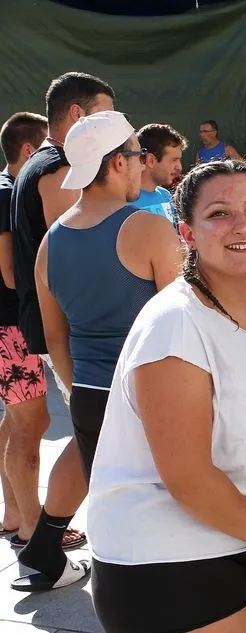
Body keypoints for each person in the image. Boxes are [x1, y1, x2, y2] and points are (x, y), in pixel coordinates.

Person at [87, 159, 246, 632]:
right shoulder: (175, 323)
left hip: (242, 530)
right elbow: (187, 477)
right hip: (164, 553)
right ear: (187, 233)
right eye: (219, 214)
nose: (242, 225)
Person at [9, 71, 116, 589]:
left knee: (89, 434)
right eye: (107, 117)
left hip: (67, 329)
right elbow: (75, 250)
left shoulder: (43, 164)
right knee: (96, 436)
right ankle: (45, 544)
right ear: (78, 115)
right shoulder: (57, 168)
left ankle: (42, 544)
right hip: (73, 332)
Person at [36, 110, 182, 483]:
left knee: (111, 507)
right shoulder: (151, 229)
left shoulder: (49, 243)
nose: (142, 164)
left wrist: (78, 390)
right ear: (119, 162)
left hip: (88, 397)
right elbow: (184, 323)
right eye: (138, 155)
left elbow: (55, 337)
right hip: (150, 397)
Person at [0, 112, 50, 544]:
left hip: (8, 328)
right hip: (10, 328)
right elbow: (10, 273)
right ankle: (32, 527)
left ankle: (15, 514)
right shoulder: (6, 193)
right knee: (30, 425)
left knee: (19, 423)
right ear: (29, 150)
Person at [132, 123, 187, 224]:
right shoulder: (125, 201)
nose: (179, 167)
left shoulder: (166, 195)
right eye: (173, 160)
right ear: (151, 160)